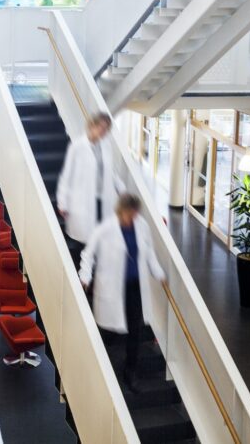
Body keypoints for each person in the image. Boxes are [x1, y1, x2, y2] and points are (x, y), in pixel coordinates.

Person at [79, 193, 165, 391]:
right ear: (121, 211)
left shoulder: (141, 226)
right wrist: (85, 275)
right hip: (112, 287)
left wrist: (158, 272)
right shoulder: (106, 228)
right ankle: (98, 372)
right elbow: (88, 253)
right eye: (129, 214)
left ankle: (130, 371)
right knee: (109, 332)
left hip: (134, 286)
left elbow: (149, 252)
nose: (132, 218)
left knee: (134, 330)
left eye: (135, 214)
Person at [56, 112, 119, 265]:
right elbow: (67, 175)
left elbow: (111, 173)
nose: (104, 131)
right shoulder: (77, 146)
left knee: (100, 239)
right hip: (82, 201)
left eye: (106, 129)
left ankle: (93, 276)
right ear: (92, 126)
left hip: (101, 199)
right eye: (101, 127)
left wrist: (121, 191)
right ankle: (81, 281)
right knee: (82, 243)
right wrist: (62, 202)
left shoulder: (106, 145)